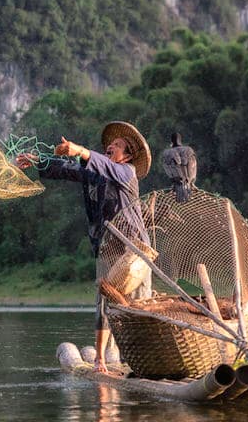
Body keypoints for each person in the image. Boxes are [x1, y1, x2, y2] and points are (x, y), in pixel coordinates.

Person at [16, 121, 152, 373]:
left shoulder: (127, 172)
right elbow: (65, 168)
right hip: (107, 247)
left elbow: (97, 160)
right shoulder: (94, 172)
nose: (111, 146)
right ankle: (100, 359)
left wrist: (78, 150)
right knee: (104, 300)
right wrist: (36, 160)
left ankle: (143, 358)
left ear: (128, 156)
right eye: (110, 144)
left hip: (134, 248)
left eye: (119, 145)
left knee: (139, 304)